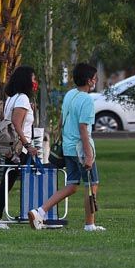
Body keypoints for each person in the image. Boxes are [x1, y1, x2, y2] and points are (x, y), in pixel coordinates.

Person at [28, 62, 104, 231]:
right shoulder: (87, 101)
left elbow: (62, 120)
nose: (95, 80)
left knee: (71, 186)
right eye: (94, 78)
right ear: (89, 80)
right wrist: (89, 155)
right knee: (91, 185)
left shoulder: (70, 94)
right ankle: (90, 224)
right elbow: (83, 128)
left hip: (68, 148)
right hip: (81, 149)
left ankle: (40, 212)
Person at [0, 66, 39, 229]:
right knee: (11, 181)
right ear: (26, 80)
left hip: (12, 146)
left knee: (8, 180)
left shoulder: (12, 97)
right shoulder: (22, 99)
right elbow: (16, 124)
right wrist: (28, 145)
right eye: (32, 78)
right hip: (19, 148)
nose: (34, 81)